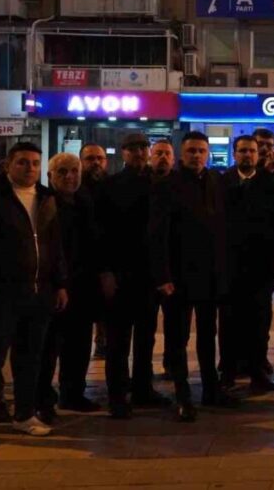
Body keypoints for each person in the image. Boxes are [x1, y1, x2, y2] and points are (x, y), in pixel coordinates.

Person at [0, 142, 69, 451]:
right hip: (0, 294)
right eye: (22, 162)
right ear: (8, 165)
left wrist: (59, 284)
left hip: (39, 294)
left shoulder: (47, 198)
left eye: (35, 163)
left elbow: (55, 246)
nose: (29, 168)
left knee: (30, 359)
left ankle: (24, 414)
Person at [151, 131, 234, 422]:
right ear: (181, 154)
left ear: (208, 153)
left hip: (210, 276)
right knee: (177, 338)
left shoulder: (216, 182)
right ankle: (183, 395)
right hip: (179, 278)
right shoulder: (167, 186)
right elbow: (158, 235)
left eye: (201, 151)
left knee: (208, 335)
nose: (196, 155)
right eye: (191, 151)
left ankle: (211, 389)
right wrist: (163, 276)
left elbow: (224, 229)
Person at [94, 133, 170, 419]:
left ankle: (142, 388)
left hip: (149, 276)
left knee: (146, 337)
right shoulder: (110, 186)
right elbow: (101, 234)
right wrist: (106, 271)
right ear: (123, 153)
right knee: (118, 339)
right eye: (133, 149)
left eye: (143, 148)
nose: (139, 153)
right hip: (121, 274)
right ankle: (117, 395)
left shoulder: (159, 184)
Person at [37, 154, 105, 424]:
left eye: (74, 171)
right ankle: (42, 400)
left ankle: (73, 393)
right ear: (51, 175)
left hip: (83, 286)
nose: (69, 176)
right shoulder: (45, 204)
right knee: (49, 347)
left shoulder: (84, 201)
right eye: (62, 171)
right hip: (55, 287)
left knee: (78, 344)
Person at [219, 136, 274, 393]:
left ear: (258, 155)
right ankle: (228, 372)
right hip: (229, 267)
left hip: (260, 267)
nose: (247, 155)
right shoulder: (220, 183)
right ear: (234, 154)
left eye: (252, 151)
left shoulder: (270, 183)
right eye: (242, 151)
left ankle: (258, 373)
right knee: (229, 321)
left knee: (259, 322)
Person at [78, 142, 108, 360]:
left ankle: (102, 342)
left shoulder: (112, 187)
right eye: (90, 159)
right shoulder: (74, 188)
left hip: (106, 258)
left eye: (99, 158)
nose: (95, 162)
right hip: (80, 260)